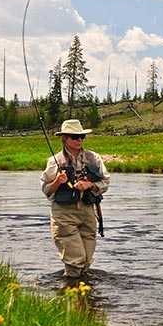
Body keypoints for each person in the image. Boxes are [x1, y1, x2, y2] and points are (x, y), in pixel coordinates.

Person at [40, 119, 110, 280]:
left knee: (86, 261)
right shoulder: (54, 161)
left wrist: (89, 185)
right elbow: (46, 190)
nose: (79, 140)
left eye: (81, 137)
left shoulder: (94, 158)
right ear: (64, 138)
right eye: (74, 137)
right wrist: (57, 181)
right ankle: (71, 297)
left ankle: (84, 297)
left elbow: (105, 182)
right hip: (63, 214)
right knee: (75, 261)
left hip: (88, 211)